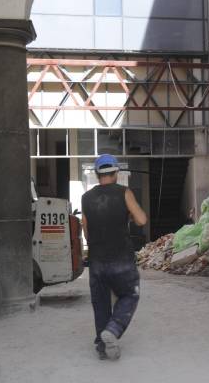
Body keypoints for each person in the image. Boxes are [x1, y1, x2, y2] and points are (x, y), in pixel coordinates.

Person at [81, 154, 147, 361]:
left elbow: (85, 229)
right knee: (129, 294)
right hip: (121, 259)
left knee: (100, 303)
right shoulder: (124, 193)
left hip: (97, 261)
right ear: (116, 173)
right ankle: (113, 328)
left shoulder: (86, 197)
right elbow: (141, 219)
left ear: (97, 174)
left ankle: (102, 346)